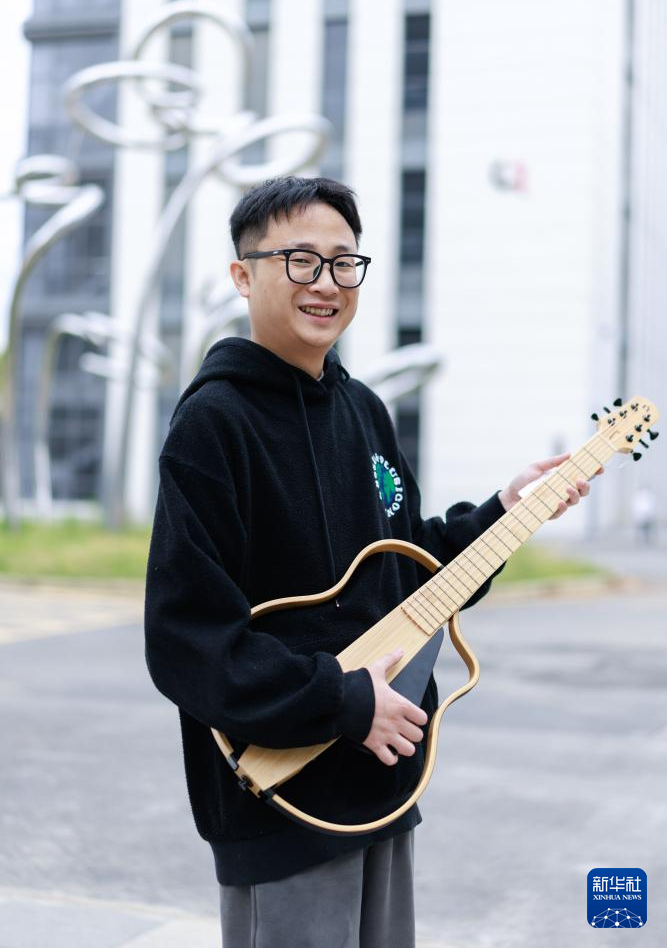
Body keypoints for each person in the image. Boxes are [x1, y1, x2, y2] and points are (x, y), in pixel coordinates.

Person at [144, 176, 591, 948]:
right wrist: (342, 701)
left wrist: (505, 511)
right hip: (283, 797)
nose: (326, 282)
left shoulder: (362, 411)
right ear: (243, 276)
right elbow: (188, 637)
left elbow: (407, 572)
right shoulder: (213, 424)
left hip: (383, 780)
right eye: (299, 260)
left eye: (343, 261)